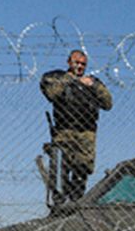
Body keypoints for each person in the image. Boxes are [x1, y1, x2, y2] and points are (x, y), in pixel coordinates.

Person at [39, 49, 113, 201]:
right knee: (61, 167)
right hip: (64, 130)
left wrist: (93, 86)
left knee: (82, 168)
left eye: (83, 64)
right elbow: (52, 93)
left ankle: (76, 201)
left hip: (86, 132)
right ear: (69, 62)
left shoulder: (92, 82)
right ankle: (59, 202)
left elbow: (108, 103)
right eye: (76, 63)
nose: (79, 66)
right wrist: (73, 81)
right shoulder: (57, 77)